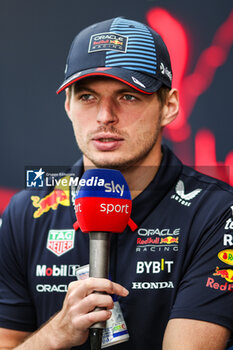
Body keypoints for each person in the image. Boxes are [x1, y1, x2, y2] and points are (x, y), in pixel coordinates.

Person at [0, 16, 233, 350]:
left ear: (169, 106)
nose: (104, 116)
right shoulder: (27, 211)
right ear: (68, 106)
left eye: (128, 96)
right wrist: (57, 334)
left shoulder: (216, 212)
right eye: (87, 97)